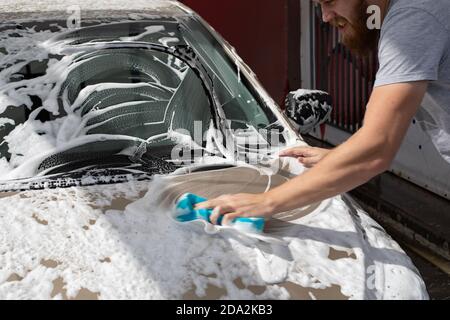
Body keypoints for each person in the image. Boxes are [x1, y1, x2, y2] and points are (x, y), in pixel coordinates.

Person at [197, 0, 450, 225]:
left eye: (329, 2)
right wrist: (344, 155)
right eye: (319, 6)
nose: (326, 16)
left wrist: (266, 202)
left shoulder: (414, 18)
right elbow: (388, 127)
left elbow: (378, 146)